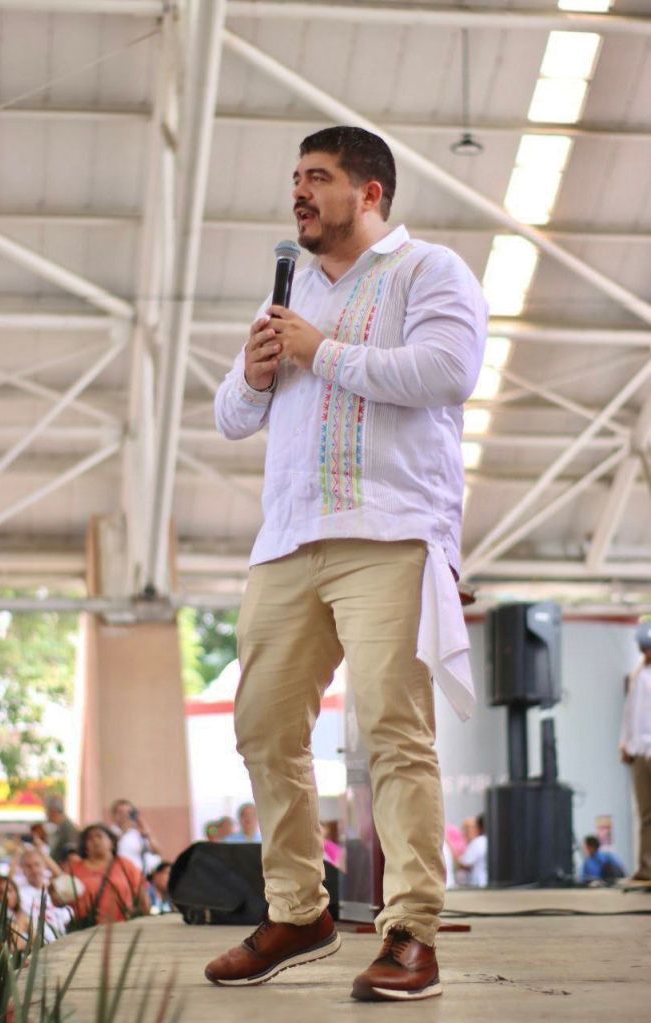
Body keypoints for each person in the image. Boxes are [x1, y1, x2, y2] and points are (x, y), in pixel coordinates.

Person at [207, 125, 487, 1001]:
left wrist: (317, 351)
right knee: (263, 727)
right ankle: (299, 911)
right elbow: (229, 417)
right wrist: (256, 374)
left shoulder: (427, 270)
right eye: (296, 176)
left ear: (370, 193)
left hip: (390, 530)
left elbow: (448, 371)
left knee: (395, 733)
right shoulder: (286, 294)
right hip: (289, 538)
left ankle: (411, 933)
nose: (299, 191)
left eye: (318, 176)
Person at [66, 823, 149, 925]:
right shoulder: (76, 869)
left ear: (112, 842)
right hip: (88, 929)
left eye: (99, 836)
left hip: (124, 927)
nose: (95, 841)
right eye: (90, 838)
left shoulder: (125, 865)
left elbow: (142, 896)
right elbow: (63, 899)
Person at [620, 621, 651, 882]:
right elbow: (630, 712)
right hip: (640, 750)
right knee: (645, 812)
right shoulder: (637, 675)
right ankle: (646, 867)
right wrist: (625, 742)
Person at [17, 847, 70, 942]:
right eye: (28, 866)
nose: (34, 870)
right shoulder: (19, 893)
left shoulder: (56, 889)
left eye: (37, 864)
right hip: (36, 945)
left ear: (44, 866)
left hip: (64, 941)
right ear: (23, 870)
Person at [110, 798, 162, 876]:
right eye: (121, 812)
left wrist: (147, 834)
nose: (125, 816)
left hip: (139, 874)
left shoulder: (137, 832)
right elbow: (112, 847)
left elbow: (157, 851)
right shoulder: (110, 831)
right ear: (114, 815)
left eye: (129, 812)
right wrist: (125, 830)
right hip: (120, 874)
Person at [0, 877, 30, 948]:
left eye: (10, 890)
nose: (6, 895)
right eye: (1, 892)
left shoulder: (24, 915)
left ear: (16, 892)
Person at [45, 794, 80, 864]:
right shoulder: (60, 827)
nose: (47, 815)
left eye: (48, 812)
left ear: (54, 812)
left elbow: (71, 854)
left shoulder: (68, 829)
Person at [456, 815, 488, 887]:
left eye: (469, 828)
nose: (466, 831)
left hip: (478, 884)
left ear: (478, 828)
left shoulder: (478, 842)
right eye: (464, 828)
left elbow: (465, 864)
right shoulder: (483, 841)